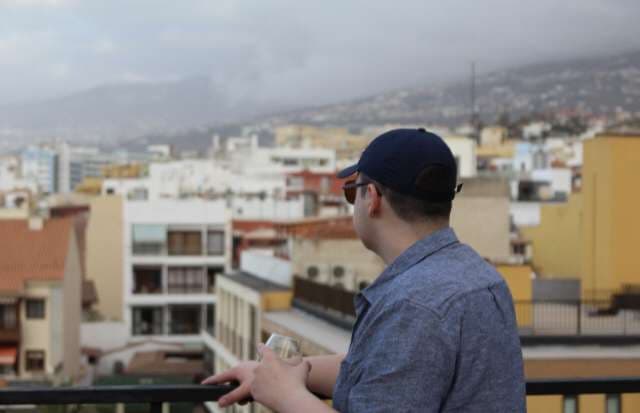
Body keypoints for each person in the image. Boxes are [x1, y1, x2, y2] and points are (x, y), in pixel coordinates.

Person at [203, 128, 526, 412]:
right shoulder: (482, 278)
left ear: (371, 198)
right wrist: (286, 372)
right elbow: (391, 373)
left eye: (350, 191)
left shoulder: (414, 303)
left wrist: (284, 395)